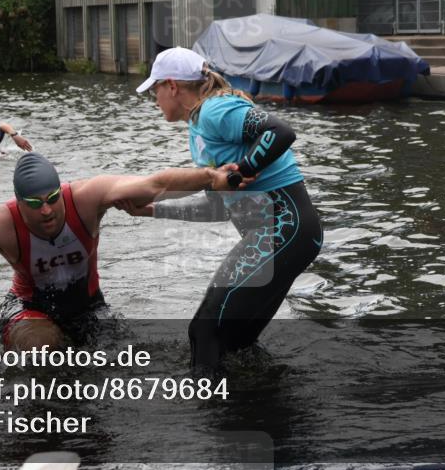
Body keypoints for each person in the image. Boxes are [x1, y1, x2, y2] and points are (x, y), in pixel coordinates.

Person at [0, 152, 249, 352]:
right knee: (44, 351)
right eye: (34, 204)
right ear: (18, 202)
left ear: (61, 191)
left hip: (89, 306)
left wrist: (210, 177)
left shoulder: (87, 198)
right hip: (29, 310)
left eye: (52, 199)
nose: (46, 211)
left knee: (127, 360)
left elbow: (153, 183)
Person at [129, 47, 323, 369]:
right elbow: (221, 207)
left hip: (282, 230)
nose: (155, 98)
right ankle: (254, 411)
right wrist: (151, 209)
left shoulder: (214, 110)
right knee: (234, 340)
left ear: (173, 86)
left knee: (203, 331)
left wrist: (243, 170)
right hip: (289, 235)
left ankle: (205, 413)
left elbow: (281, 131)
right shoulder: (198, 130)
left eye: (156, 89)